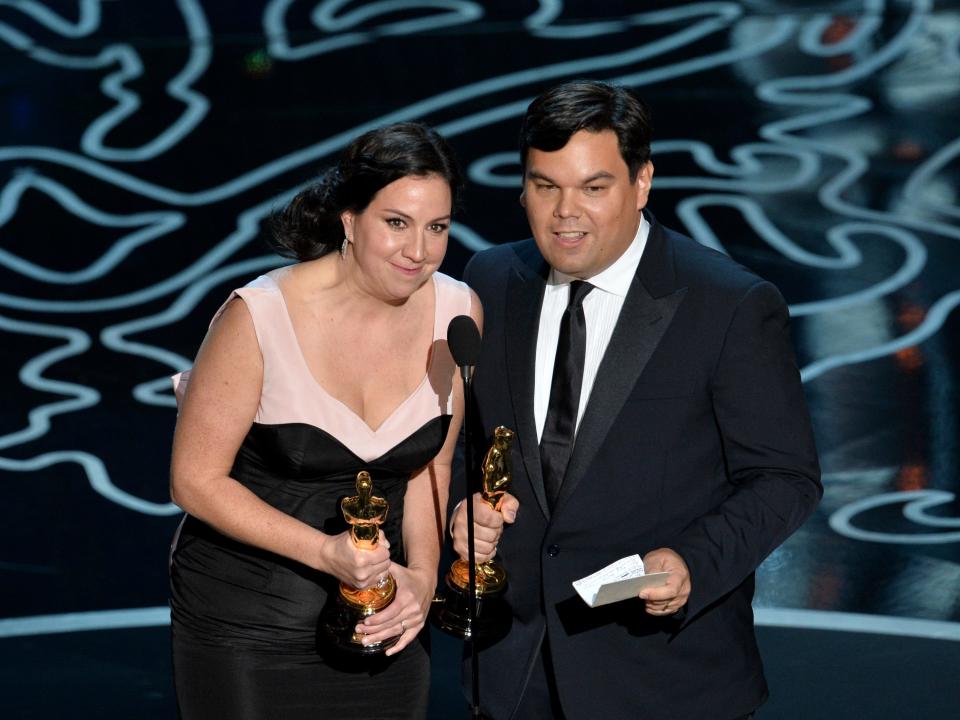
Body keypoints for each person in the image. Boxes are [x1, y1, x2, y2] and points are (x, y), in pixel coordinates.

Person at [450, 80, 822, 719]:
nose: (567, 213)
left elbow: (784, 478)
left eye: (594, 188)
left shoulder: (728, 304)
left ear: (642, 182)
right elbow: (467, 439)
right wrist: (461, 509)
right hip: (513, 677)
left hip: (660, 680)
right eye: (546, 187)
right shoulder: (490, 279)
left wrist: (691, 562)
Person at [168, 121, 481, 719]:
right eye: (396, 223)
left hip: (380, 626)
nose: (419, 250)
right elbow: (194, 481)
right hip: (247, 628)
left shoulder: (458, 310)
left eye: (436, 227)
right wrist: (325, 553)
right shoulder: (257, 317)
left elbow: (431, 467)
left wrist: (420, 578)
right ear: (348, 219)